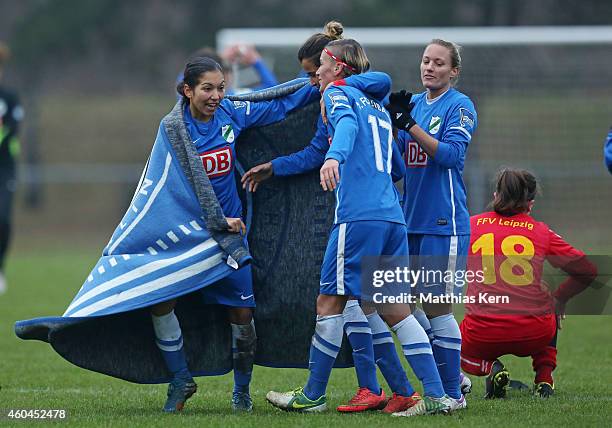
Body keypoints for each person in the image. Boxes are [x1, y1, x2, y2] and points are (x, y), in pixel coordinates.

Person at [245, 22, 450, 416]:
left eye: (320, 66)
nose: (315, 74)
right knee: (394, 309)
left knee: (327, 302)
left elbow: (346, 128)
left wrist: (338, 158)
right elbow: (395, 167)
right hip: (391, 217)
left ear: (337, 68)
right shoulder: (376, 106)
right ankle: (439, 395)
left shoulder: (338, 94)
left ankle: (312, 395)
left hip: (358, 219)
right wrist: (279, 166)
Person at [155, 56, 318, 413]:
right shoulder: (172, 130)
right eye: (207, 89)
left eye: (220, 88)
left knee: (242, 314)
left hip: (230, 240)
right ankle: (179, 379)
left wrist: (319, 83)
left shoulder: (230, 112)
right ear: (187, 90)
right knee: (159, 302)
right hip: (189, 235)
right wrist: (215, 220)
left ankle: (240, 393)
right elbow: (168, 191)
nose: (216, 96)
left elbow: (278, 104)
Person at [386, 39, 478, 409]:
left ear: (453, 71)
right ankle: (452, 376)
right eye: (426, 61)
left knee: (438, 306)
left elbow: (451, 156)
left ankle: (453, 396)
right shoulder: (415, 106)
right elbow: (397, 168)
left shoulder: (459, 105)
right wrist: (393, 127)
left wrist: (410, 125)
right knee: (406, 304)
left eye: (439, 63)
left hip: (444, 222)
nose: (430, 67)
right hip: (410, 221)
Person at [460, 168, 597, 398]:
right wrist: (559, 299)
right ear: (530, 204)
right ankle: (544, 380)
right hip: (534, 332)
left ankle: (492, 369)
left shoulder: (470, 225)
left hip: (482, 333)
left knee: (450, 347)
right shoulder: (540, 231)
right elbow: (588, 271)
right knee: (548, 303)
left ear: (495, 196)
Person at [0, 42, 23, 295]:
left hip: (4, 168)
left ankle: (0, 268)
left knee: (3, 219)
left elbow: (13, 129)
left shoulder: (10, 98)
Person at [176, 45, 278, 98]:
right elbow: (273, 90)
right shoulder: (236, 99)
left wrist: (220, 58)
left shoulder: (189, 99)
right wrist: (256, 62)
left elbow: (185, 78)